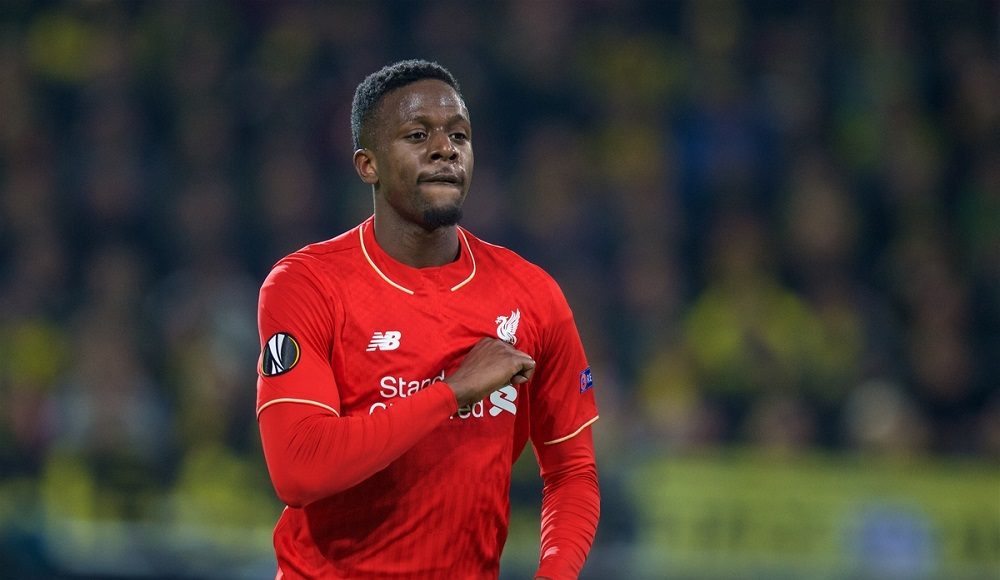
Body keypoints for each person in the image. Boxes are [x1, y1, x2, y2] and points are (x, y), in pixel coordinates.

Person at [255, 59, 600, 580]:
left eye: (459, 135)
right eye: (418, 135)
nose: (445, 148)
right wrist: (451, 392)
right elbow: (299, 468)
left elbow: (572, 471)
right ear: (367, 165)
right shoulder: (308, 285)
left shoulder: (532, 294)